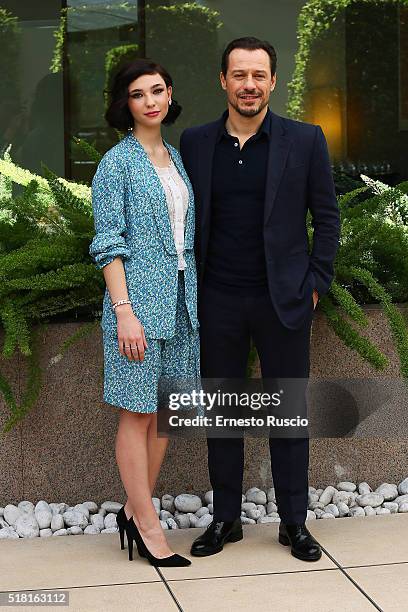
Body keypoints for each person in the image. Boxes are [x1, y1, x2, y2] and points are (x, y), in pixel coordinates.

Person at [180, 37, 340, 561]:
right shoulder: (196, 142)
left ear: (273, 81)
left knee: (287, 413)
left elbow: (327, 218)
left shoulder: (306, 139)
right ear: (222, 81)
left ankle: (294, 522)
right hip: (218, 299)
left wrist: (316, 282)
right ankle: (225, 518)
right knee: (223, 413)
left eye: (259, 75)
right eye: (239, 75)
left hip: (284, 301)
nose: (249, 85)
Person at [89, 59, 200, 567]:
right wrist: (124, 312)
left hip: (181, 302)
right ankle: (148, 524)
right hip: (135, 306)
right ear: (125, 104)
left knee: (168, 413)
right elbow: (108, 245)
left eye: (158, 90)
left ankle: (135, 514)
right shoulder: (116, 163)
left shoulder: (175, 158)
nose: (151, 101)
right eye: (138, 94)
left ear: (169, 94)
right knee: (138, 414)